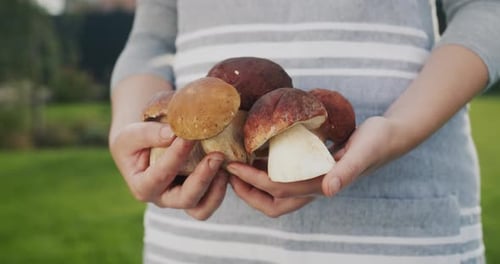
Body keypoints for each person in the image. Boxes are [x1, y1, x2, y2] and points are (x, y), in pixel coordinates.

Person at [109, 0, 499, 263]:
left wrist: (399, 131)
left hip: (397, 231)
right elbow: (151, 38)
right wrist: (129, 128)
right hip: (196, 237)